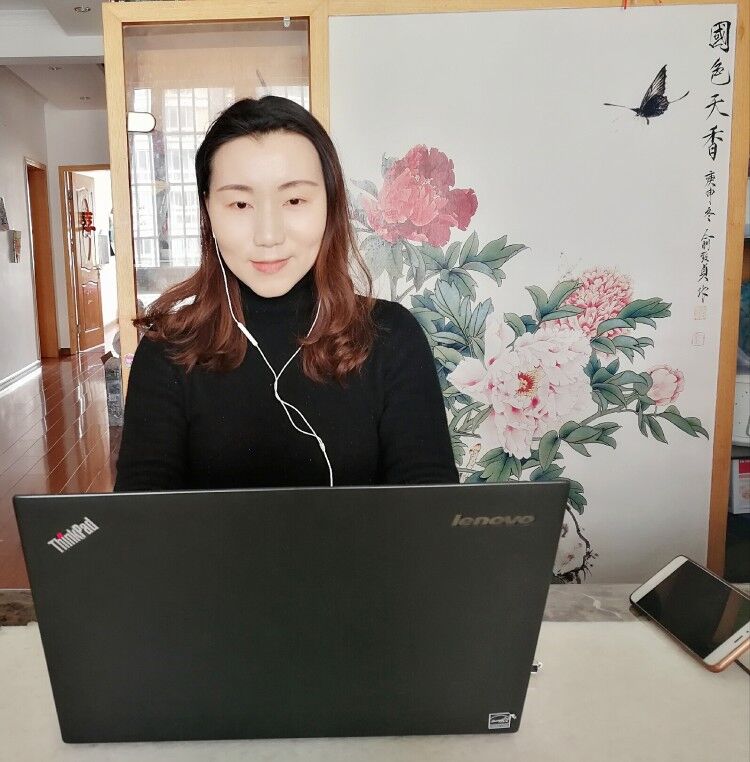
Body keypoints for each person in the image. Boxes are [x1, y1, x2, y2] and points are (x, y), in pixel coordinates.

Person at [114, 96, 458, 492]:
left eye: (294, 200)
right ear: (208, 210)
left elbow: (430, 506)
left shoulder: (391, 336)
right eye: (240, 203)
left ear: (330, 204)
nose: (268, 236)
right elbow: (142, 518)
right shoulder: (168, 352)